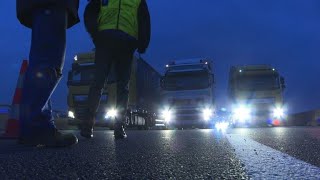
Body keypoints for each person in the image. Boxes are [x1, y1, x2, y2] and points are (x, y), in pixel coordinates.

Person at [81, 0, 151, 139]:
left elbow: (144, 21)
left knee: (123, 86)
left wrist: (143, 43)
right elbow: (89, 12)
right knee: (98, 82)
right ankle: (87, 125)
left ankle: (119, 127)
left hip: (126, 43)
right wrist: (95, 34)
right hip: (105, 40)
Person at [16, 0, 80, 147]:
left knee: (43, 60)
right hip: (51, 3)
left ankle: (32, 127)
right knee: (49, 62)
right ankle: (38, 128)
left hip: (45, 4)